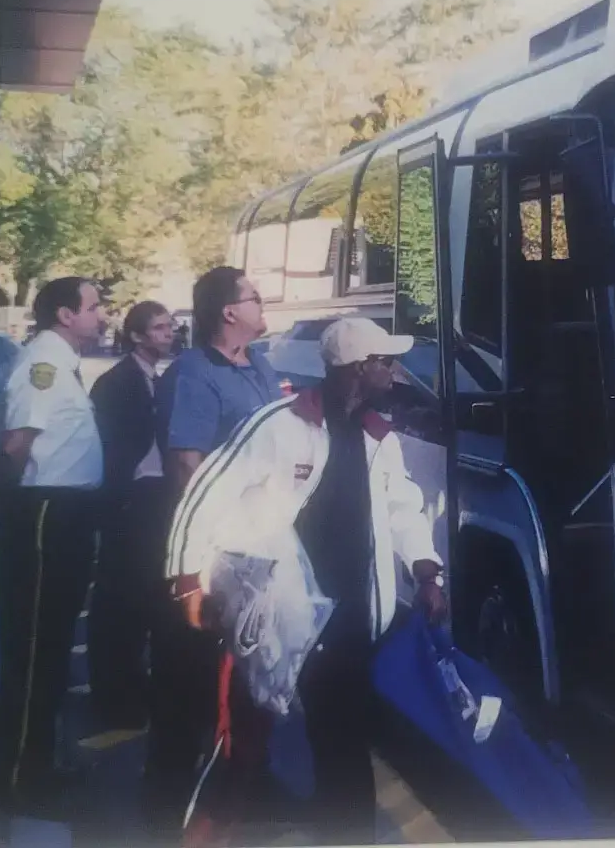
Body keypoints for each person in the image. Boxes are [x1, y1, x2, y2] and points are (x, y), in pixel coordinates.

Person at [164, 315, 446, 845]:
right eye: (386, 361)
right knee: (242, 742)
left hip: (349, 620)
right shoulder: (277, 423)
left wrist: (426, 570)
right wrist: (188, 577)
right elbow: (208, 492)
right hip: (277, 618)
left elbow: (403, 506)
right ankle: (202, 833)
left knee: (343, 740)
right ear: (358, 368)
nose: (395, 370)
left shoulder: (378, 435)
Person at [142, 266, 281, 834]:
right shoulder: (194, 373)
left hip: (258, 549)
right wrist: (216, 545)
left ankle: (240, 792)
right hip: (213, 552)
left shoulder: (259, 363)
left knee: (250, 681)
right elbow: (186, 464)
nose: (261, 302)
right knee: (191, 687)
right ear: (229, 312)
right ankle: (166, 807)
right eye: (253, 296)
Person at [0, 277, 106, 817]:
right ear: (65, 314)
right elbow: (17, 444)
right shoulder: (44, 363)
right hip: (42, 515)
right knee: (34, 651)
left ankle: (35, 764)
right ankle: (16, 777)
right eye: (94, 307)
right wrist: (7, 506)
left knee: (52, 648)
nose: (102, 315)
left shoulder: (61, 362)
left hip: (63, 515)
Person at [86, 301, 174, 729]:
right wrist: (121, 499)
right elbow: (111, 448)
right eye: (159, 328)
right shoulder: (116, 382)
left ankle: (134, 686)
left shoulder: (159, 380)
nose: (169, 333)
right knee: (120, 599)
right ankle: (113, 695)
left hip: (155, 501)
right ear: (137, 336)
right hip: (130, 502)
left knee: (145, 597)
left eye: (170, 326)